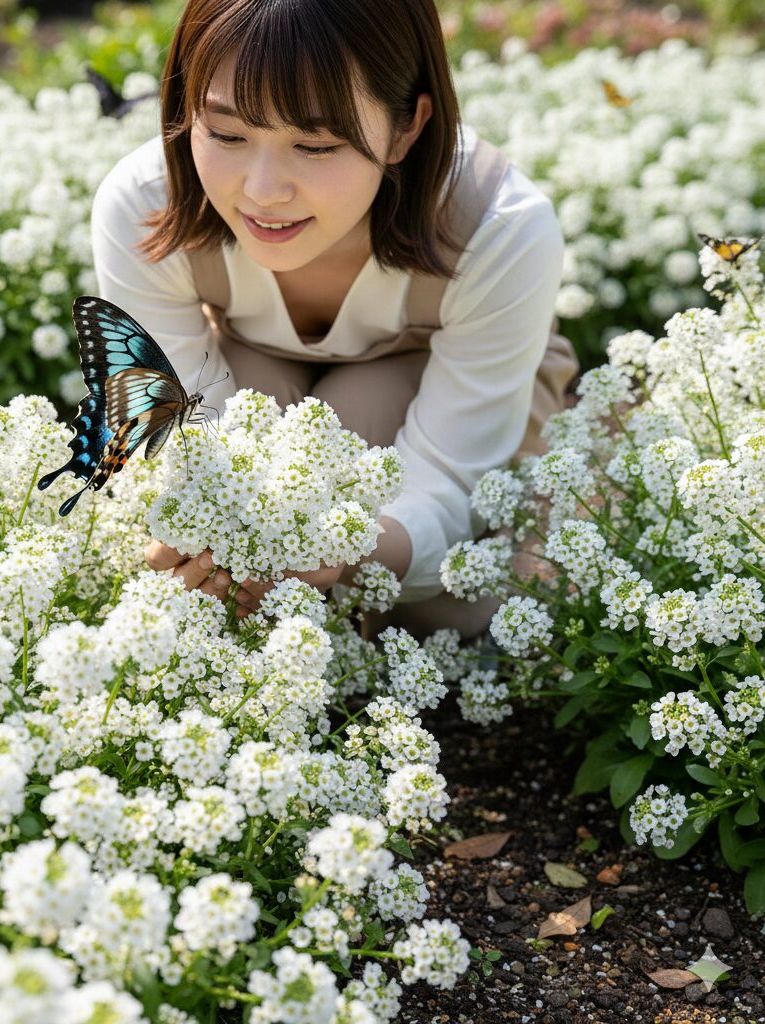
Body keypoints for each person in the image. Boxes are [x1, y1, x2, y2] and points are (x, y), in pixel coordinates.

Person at [89, 0, 578, 637]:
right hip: (253, 376)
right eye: (228, 134)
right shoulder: (146, 203)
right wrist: (206, 543)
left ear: (407, 126)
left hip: (447, 406)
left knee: (477, 611)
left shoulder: (497, 227)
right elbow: (184, 432)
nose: (263, 190)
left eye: (315, 145)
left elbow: (454, 473)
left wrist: (348, 552)